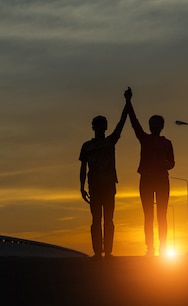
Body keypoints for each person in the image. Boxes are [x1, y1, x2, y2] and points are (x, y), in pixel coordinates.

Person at [124, 87, 175, 256]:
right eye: (152, 124)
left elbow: (172, 163)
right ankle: (150, 248)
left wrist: (165, 164)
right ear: (149, 126)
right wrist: (128, 102)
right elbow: (133, 122)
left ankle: (163, 248)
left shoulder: (167, 143)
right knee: (148, 215)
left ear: (162, 126)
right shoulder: (144, 138)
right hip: (146, 179)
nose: (154, 126)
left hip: (162, 180)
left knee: (162, 215)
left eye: (157, 124)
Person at [79, 97, 128, 259]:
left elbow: (121, 124)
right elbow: (82, 167)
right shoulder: (87, 146)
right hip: (94, 186)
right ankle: (97, 251)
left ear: (106, 127)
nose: (100, 128)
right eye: (98, 125)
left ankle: (108, 251)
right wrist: (81, 187)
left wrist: (127, 103)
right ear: (94, 127)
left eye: (103, 125)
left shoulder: (110, 142)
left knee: (109, 219)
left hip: (108, 186)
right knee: (96, 219)